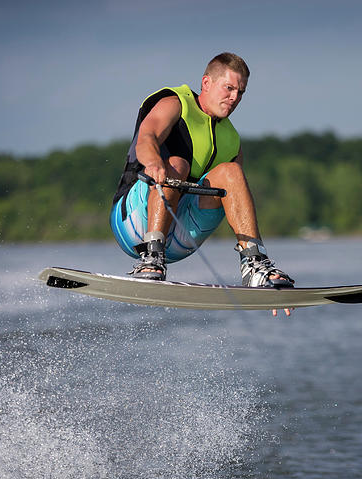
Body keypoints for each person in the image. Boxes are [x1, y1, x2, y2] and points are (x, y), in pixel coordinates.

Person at [109, 52, 294, 311]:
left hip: (182, 240)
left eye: (240, 92)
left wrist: (267, 295)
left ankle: (255, 267)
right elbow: (146, 137)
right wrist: (153, 162)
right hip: (135, 223)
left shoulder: (232, 140)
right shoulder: (175, 104)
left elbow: (235, 204)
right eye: (228, 88)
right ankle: (151, 257)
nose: (234, 98)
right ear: (206, 83)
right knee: (179, 164)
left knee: (232, 172)